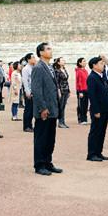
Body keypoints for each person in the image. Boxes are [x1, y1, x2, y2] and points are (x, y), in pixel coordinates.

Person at [31, 42, 62, 176]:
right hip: (44, 110)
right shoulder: (38, 67)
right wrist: (42, 108)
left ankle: (48, 162)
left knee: (50, 138)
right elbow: (36, 90)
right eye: (48, 49)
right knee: (41, 138)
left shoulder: (49, 67)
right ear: (41, 52)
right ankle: (40, 164)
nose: (50, 51)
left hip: (53, 108)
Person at [86, 56, 108, 162]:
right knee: (95, 131)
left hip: (104, 108)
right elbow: (92, 96)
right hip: (98, 110)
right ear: (94, 66)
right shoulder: (92, 77)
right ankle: (91, 154)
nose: (103, 65)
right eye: (101, 63)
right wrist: (96, 111)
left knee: (102, 131)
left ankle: (98, 152)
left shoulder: (101, 76)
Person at [21, 53, 36, 133]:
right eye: (33, 57)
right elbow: (25, 81)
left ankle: (30, 125)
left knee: (32, 109)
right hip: (29, 91)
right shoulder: (26, 69)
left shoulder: (33, 67)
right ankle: (26, 126)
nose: (34, 59)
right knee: (28, 109)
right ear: (28, 59)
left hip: (34, 91)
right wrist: (27, 91)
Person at [54, 57, 70, 129]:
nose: (64, 61)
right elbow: (57, 82)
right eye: (62, 60)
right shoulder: (57, 71)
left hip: (66, 90)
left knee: (63, 106)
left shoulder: (64, 69)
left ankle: (62, 121)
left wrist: (69, 90)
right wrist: (58, 91)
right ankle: (60, 122)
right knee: (61, 107)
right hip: (61, 90)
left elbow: (66, 81)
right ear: (58, 62)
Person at [75, 57, 89, 125]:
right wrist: (80, 91)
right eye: (83, 61)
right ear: (80, 63)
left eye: (85, 61)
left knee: (86, 105)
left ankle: (85, 119)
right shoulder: (79, 71)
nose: (85, 62)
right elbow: (78, 82)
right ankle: (81, 119)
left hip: (86, 90)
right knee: (81, 105)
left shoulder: (85, 71)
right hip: (81, 91)